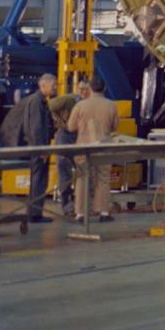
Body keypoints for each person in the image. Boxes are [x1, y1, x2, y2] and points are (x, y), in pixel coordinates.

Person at [0, 73, 57, 221]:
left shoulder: (41, 101)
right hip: (38, 149)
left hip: (39, 147)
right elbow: (35, 128)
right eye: (53, 85)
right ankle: (35, 215)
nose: (55, 87)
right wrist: (41, 149)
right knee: (38, 180)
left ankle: (35, 213)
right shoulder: (36, 102)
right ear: (44, 85)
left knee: (39, 180)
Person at [65, 76, 120, 222]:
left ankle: (80, 213)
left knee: (82, 178)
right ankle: (103, 212)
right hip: (104, 147)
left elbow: (70, 127)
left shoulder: (80, 105)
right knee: (103, 179)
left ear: (89, 88)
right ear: (104, 88)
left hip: (84, 147)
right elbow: (115, 126)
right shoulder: (111, 105)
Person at [48, 79, 90, 217]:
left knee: (84, 170)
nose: (84, 92)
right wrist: (59, 121)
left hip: (81, 136)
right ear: (77, 89)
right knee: (64, 171)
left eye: (87, 89)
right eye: (81, 89)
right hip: (65, 136)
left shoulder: (90, 103)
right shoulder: (68, 99)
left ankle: (83, 206)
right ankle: (68, 207)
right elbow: (49, 106)